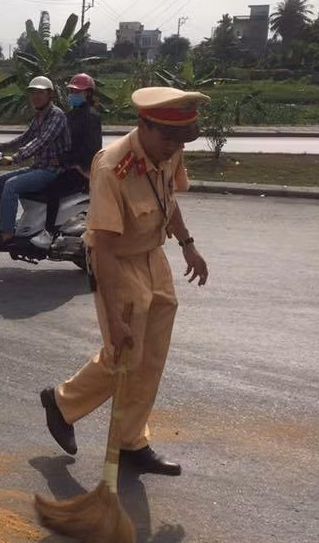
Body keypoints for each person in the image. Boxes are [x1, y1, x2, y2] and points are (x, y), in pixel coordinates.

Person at [40, 86, 210, 476]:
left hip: (155, 256)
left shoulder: (170, 150)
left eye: (179, 139)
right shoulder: (111, 167)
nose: (172, 147)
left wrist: (187, 244)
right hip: (117, 261)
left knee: (151, 358)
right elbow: (105, 249)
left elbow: (168, 197)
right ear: (143, 125)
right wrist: (114, 317)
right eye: (167, 137)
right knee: (124, 354)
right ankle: (61, 403)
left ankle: (132, 441)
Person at [0, 76, 70, 243]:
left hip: (52, 171)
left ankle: (7, 234)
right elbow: (25, 138)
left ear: (50, 95)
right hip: (39, 167)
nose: (36, 96)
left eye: (40, 92)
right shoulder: (39, 116)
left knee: (11, 185)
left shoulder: (56, 116)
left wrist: (15, 158)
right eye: (33, 92)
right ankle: (9, 225)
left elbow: (40, 142)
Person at [42, 72, 104, 234]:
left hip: (80, 170)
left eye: (77, 92)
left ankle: (49, 231)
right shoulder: (72, 114)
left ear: (88, 94)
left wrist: (63, 160)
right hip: (69, 165)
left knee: (51, 190)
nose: (73, 95)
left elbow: (90, 149)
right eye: (72, 92)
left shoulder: (91, 116)